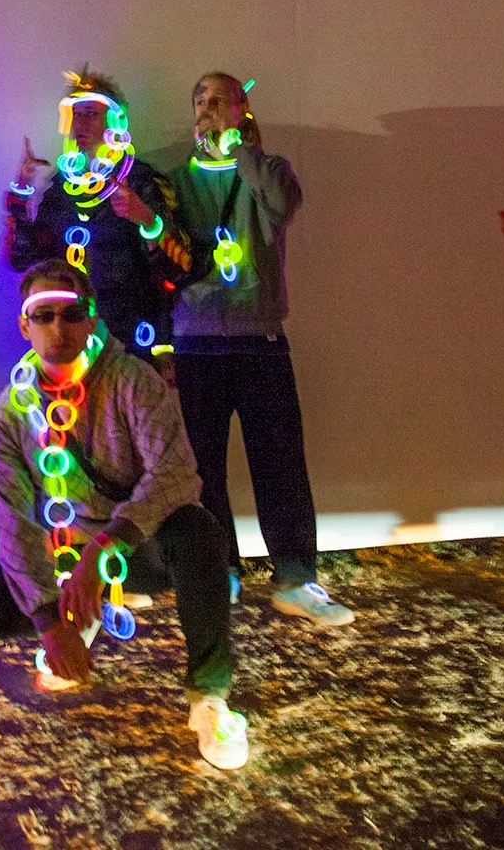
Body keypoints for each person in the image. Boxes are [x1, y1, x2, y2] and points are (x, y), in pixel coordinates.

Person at [0, 259, 248, 770]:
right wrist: (50, 625)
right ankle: (79, 617)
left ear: (91, 318)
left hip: (135, 547)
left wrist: (104, 548)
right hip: (65, 553)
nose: (58, 328)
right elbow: (15, 523)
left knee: (199, 532)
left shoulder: (132, 381)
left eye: (71, 314)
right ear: (24, 325)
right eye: (43, 316)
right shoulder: (8, 415)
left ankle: (209, 697)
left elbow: (177, 473)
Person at [159, 72, 353, 625]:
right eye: (199, 100)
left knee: (281, 463)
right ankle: (218, 572)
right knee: (202, 469)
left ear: (242, 107)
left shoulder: (268, 170)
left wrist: (243, 148)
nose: (207, 108)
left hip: (259, 341)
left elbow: (284, 203)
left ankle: (295, 578)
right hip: (196, 344)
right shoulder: (176, 182)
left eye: (219, 99)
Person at [4, 69, 187, 368]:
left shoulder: (142, 182)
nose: (80, 123)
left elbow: (177, 270)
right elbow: (25, 261)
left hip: (133, 344)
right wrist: (21, 199)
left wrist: (146, 220)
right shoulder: (61, 189)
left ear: (114, 121)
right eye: (76, 115)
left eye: (91, 113)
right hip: (70, 341)